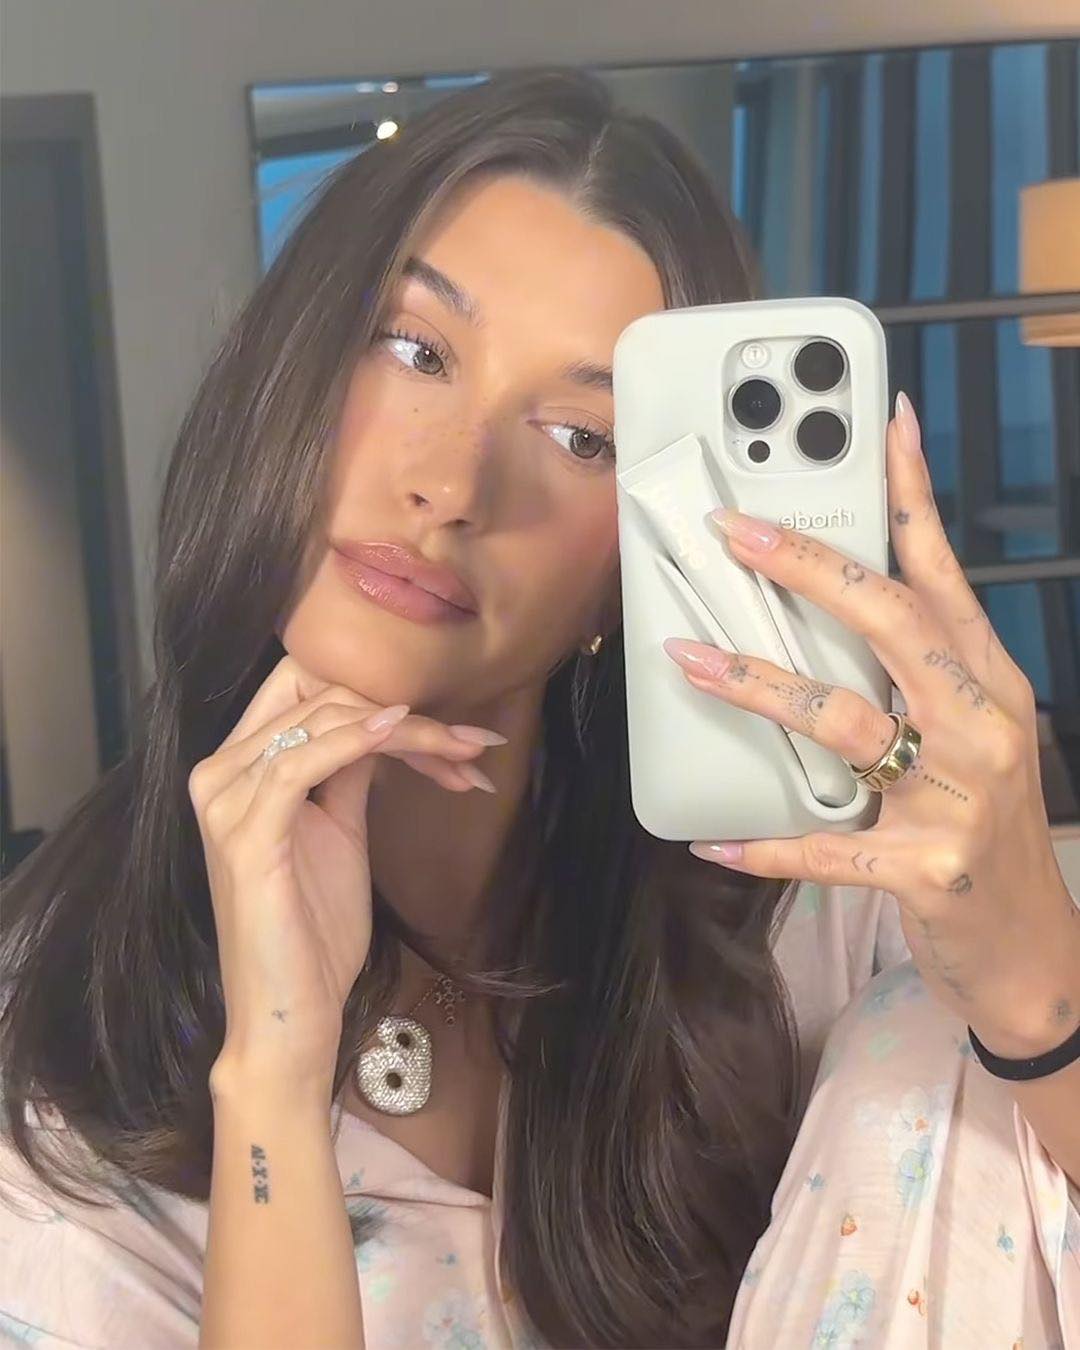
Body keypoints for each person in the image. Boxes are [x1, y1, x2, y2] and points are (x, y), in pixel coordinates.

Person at [0, 67, 1077, 1349]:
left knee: (940, 1032)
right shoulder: (54, 1057)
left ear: (636, 564)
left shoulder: (813, 892)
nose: (453, 486)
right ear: (288, 371)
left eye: (582, 438)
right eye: (416, 351)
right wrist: (273, 1083)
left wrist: (1039, 997)